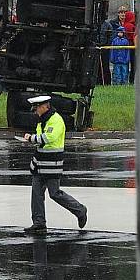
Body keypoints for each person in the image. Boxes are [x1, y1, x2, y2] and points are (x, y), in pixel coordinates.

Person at [22, 96, 87, 234]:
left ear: (45, 106)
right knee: (36, 194)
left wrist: (31, 138)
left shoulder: (56, 120)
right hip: (40, 164)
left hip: (52, 164)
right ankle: (39, 223)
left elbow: (48, 138)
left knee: (55, 193)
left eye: (37, 108)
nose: (35, 112)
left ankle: (80, 210)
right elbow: (42, 141)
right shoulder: (42, 121)